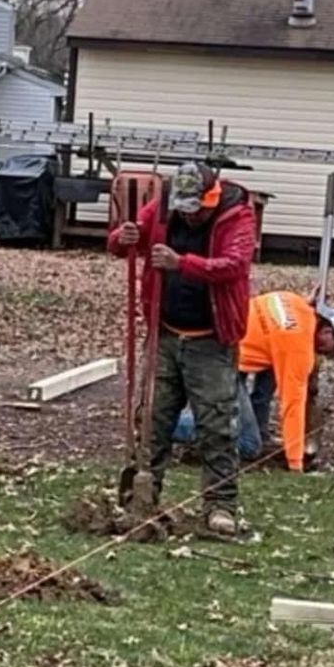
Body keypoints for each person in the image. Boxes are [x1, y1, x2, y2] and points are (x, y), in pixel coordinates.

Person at [109, 162, 257, 537]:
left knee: (217, 425)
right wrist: (123, 237)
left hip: (211, 338)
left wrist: (182, 263)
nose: (189, 215)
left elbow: (234, 266)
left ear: (211, 196)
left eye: (196, 208)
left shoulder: (236, 214)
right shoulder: (163, 207)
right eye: (183, 207)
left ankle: (220, 505)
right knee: (153, 420)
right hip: (166, 332)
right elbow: (127, 242)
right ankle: (142, 497)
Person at [236, 291, 334, 472]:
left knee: (277, 362)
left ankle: (259, 431)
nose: (329, 354)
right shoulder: (298, 351)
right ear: (328, 331)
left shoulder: (296, 303)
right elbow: (292, 405)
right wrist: (295, 462)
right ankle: (186, 429)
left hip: (229, 343)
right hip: (219, 363)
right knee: (248, 445)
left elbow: (283, 324)